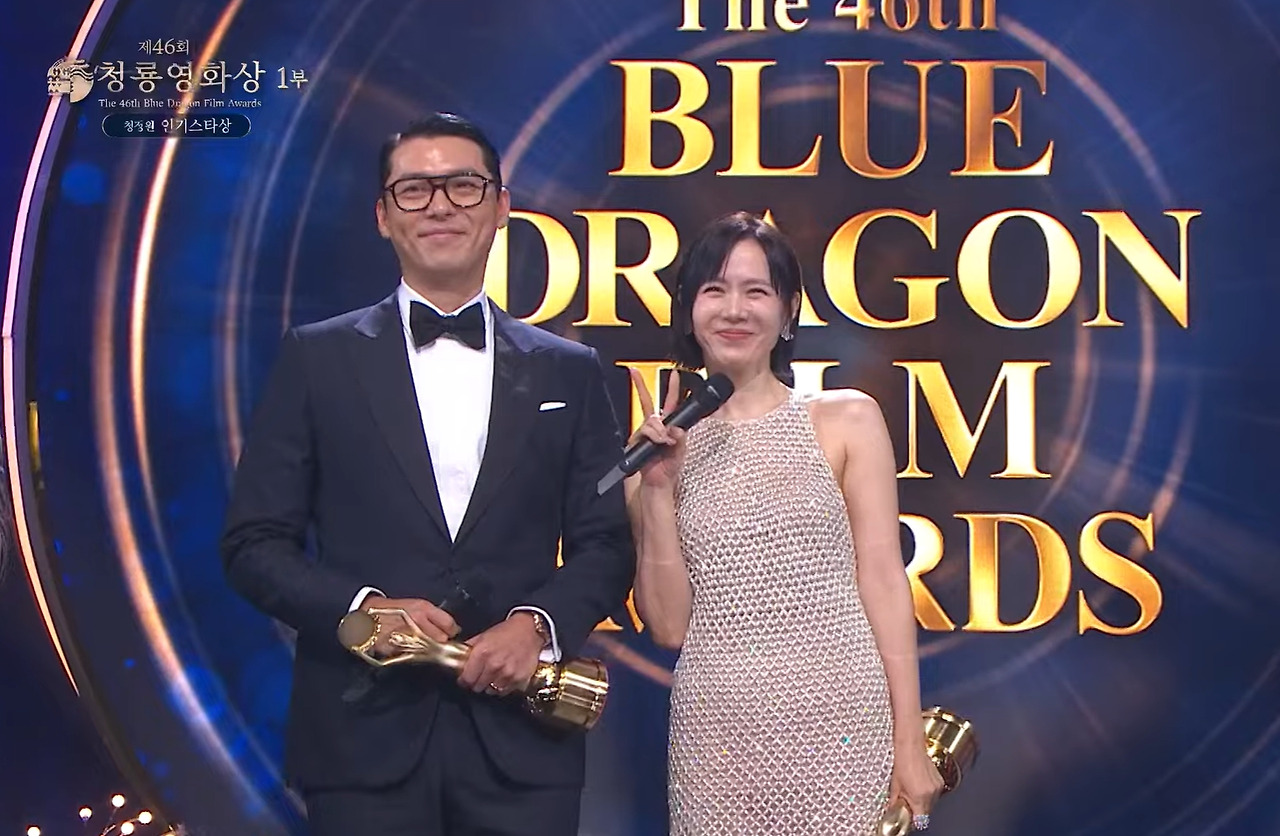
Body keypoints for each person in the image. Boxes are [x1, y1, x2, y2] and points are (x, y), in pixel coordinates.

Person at [221, 112, 635, 836]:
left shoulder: (569, 370)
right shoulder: (316, 358)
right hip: (361, 740)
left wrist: (536, 626)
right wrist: (362, 609)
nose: (440, 205)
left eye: (463, 186)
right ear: (383, 216)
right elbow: (253, 544)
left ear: (501, 207)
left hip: (522, 744)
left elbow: (605, 543)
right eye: (414, 189)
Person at [625, 211, 944, 835]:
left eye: (756, 291)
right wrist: (657, 492)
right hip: (716, 738)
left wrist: (909, 740)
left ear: (788, 311)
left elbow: (884, 580)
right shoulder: (657, 455)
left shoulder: (847, 419)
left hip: (844, 728)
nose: (734, 310)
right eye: (714, 290)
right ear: (688, 310)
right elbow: (668, 627)